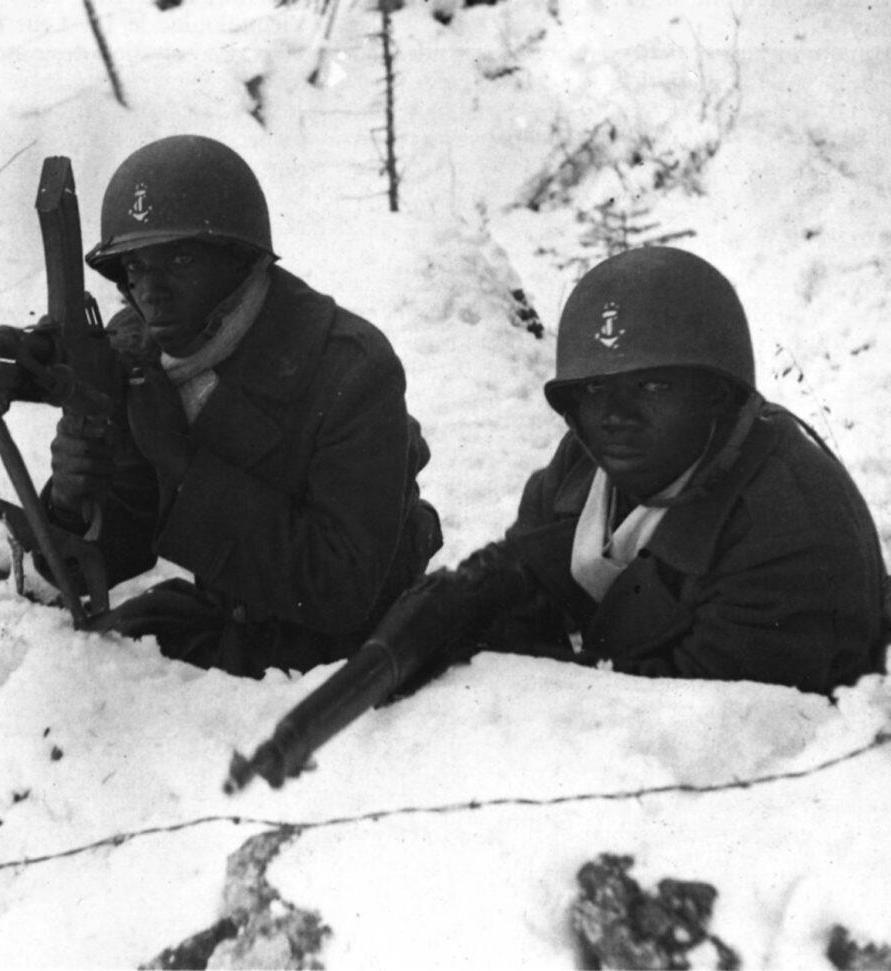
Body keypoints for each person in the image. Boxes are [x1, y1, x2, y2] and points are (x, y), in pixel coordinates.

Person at [374, 246, 887, 696]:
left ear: (715, 393)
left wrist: (516, 664)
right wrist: (458, 603)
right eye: (595, 390)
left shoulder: (787, 519)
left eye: (652, 387)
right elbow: (531, 565)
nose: (615, 416)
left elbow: (711, 707)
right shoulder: (591, 462)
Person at [40, 134, 441, 678]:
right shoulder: (142, 353)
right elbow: (110, 556)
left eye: (178, 259)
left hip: (352, 650)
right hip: (227, 618)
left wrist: (181, 463)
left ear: (238, 262)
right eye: (135, 267)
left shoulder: (351, 367)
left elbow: (342, 587)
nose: (150, 292)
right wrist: (72, 499)